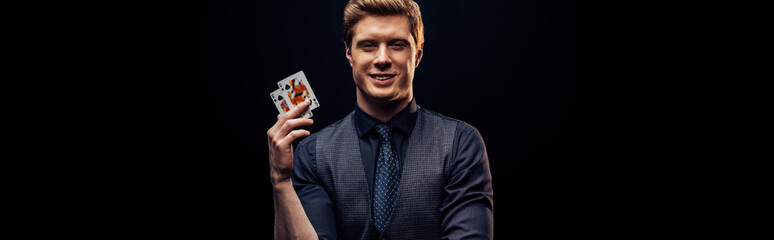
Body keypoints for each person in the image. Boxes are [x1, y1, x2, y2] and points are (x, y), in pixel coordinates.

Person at [266, 0, 493, 239]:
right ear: (349, 53)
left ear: (417, 54)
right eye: (368, 45)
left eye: (397, 45)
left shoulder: (461, 144)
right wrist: (281, 182)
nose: (382, 58)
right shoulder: (313, 155)